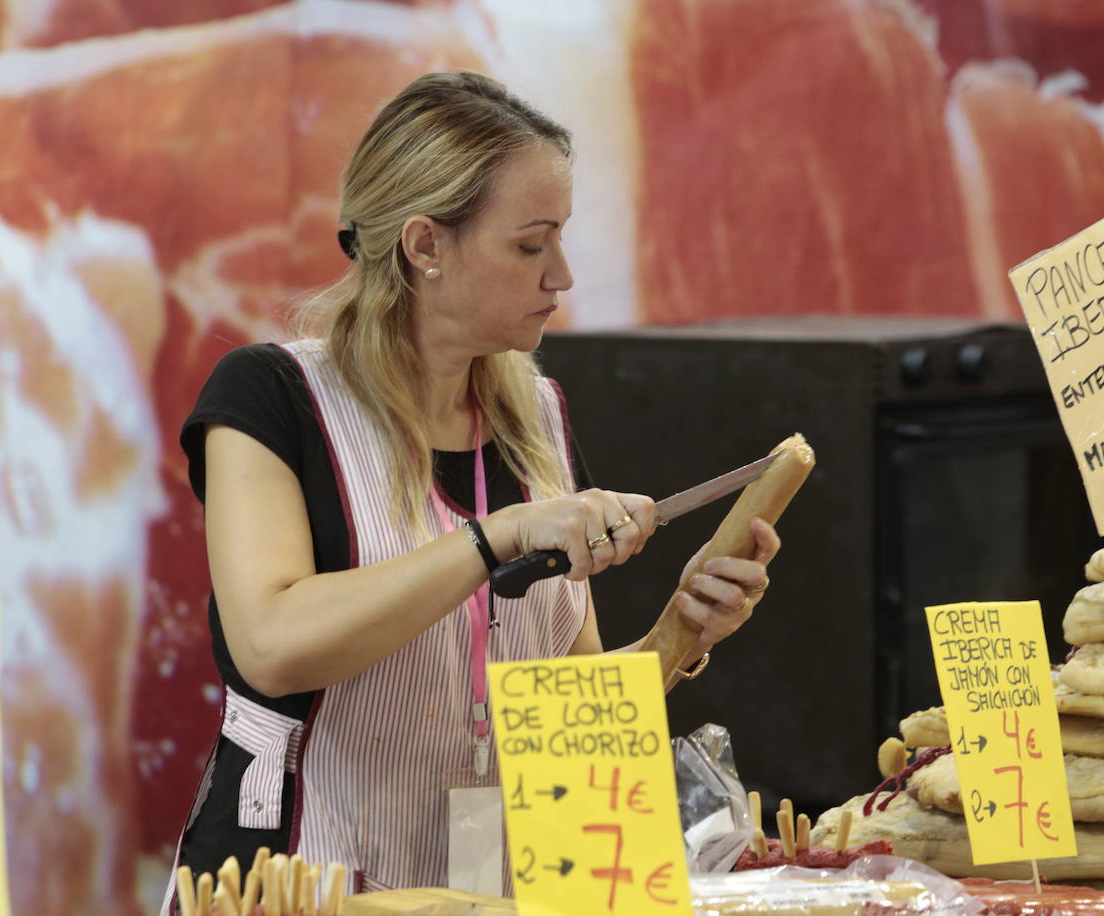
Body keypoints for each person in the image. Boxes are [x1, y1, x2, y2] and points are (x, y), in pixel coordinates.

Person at [163, 71, 780, 905]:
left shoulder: (538, 413)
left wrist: (682, 630)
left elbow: (568, 710)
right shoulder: (270, 397)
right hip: (302, 873)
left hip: (486, 884)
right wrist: (496, 538)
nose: (560, 275)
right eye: (531, 245)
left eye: (560, 239)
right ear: (425, 246)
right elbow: (271, 644)